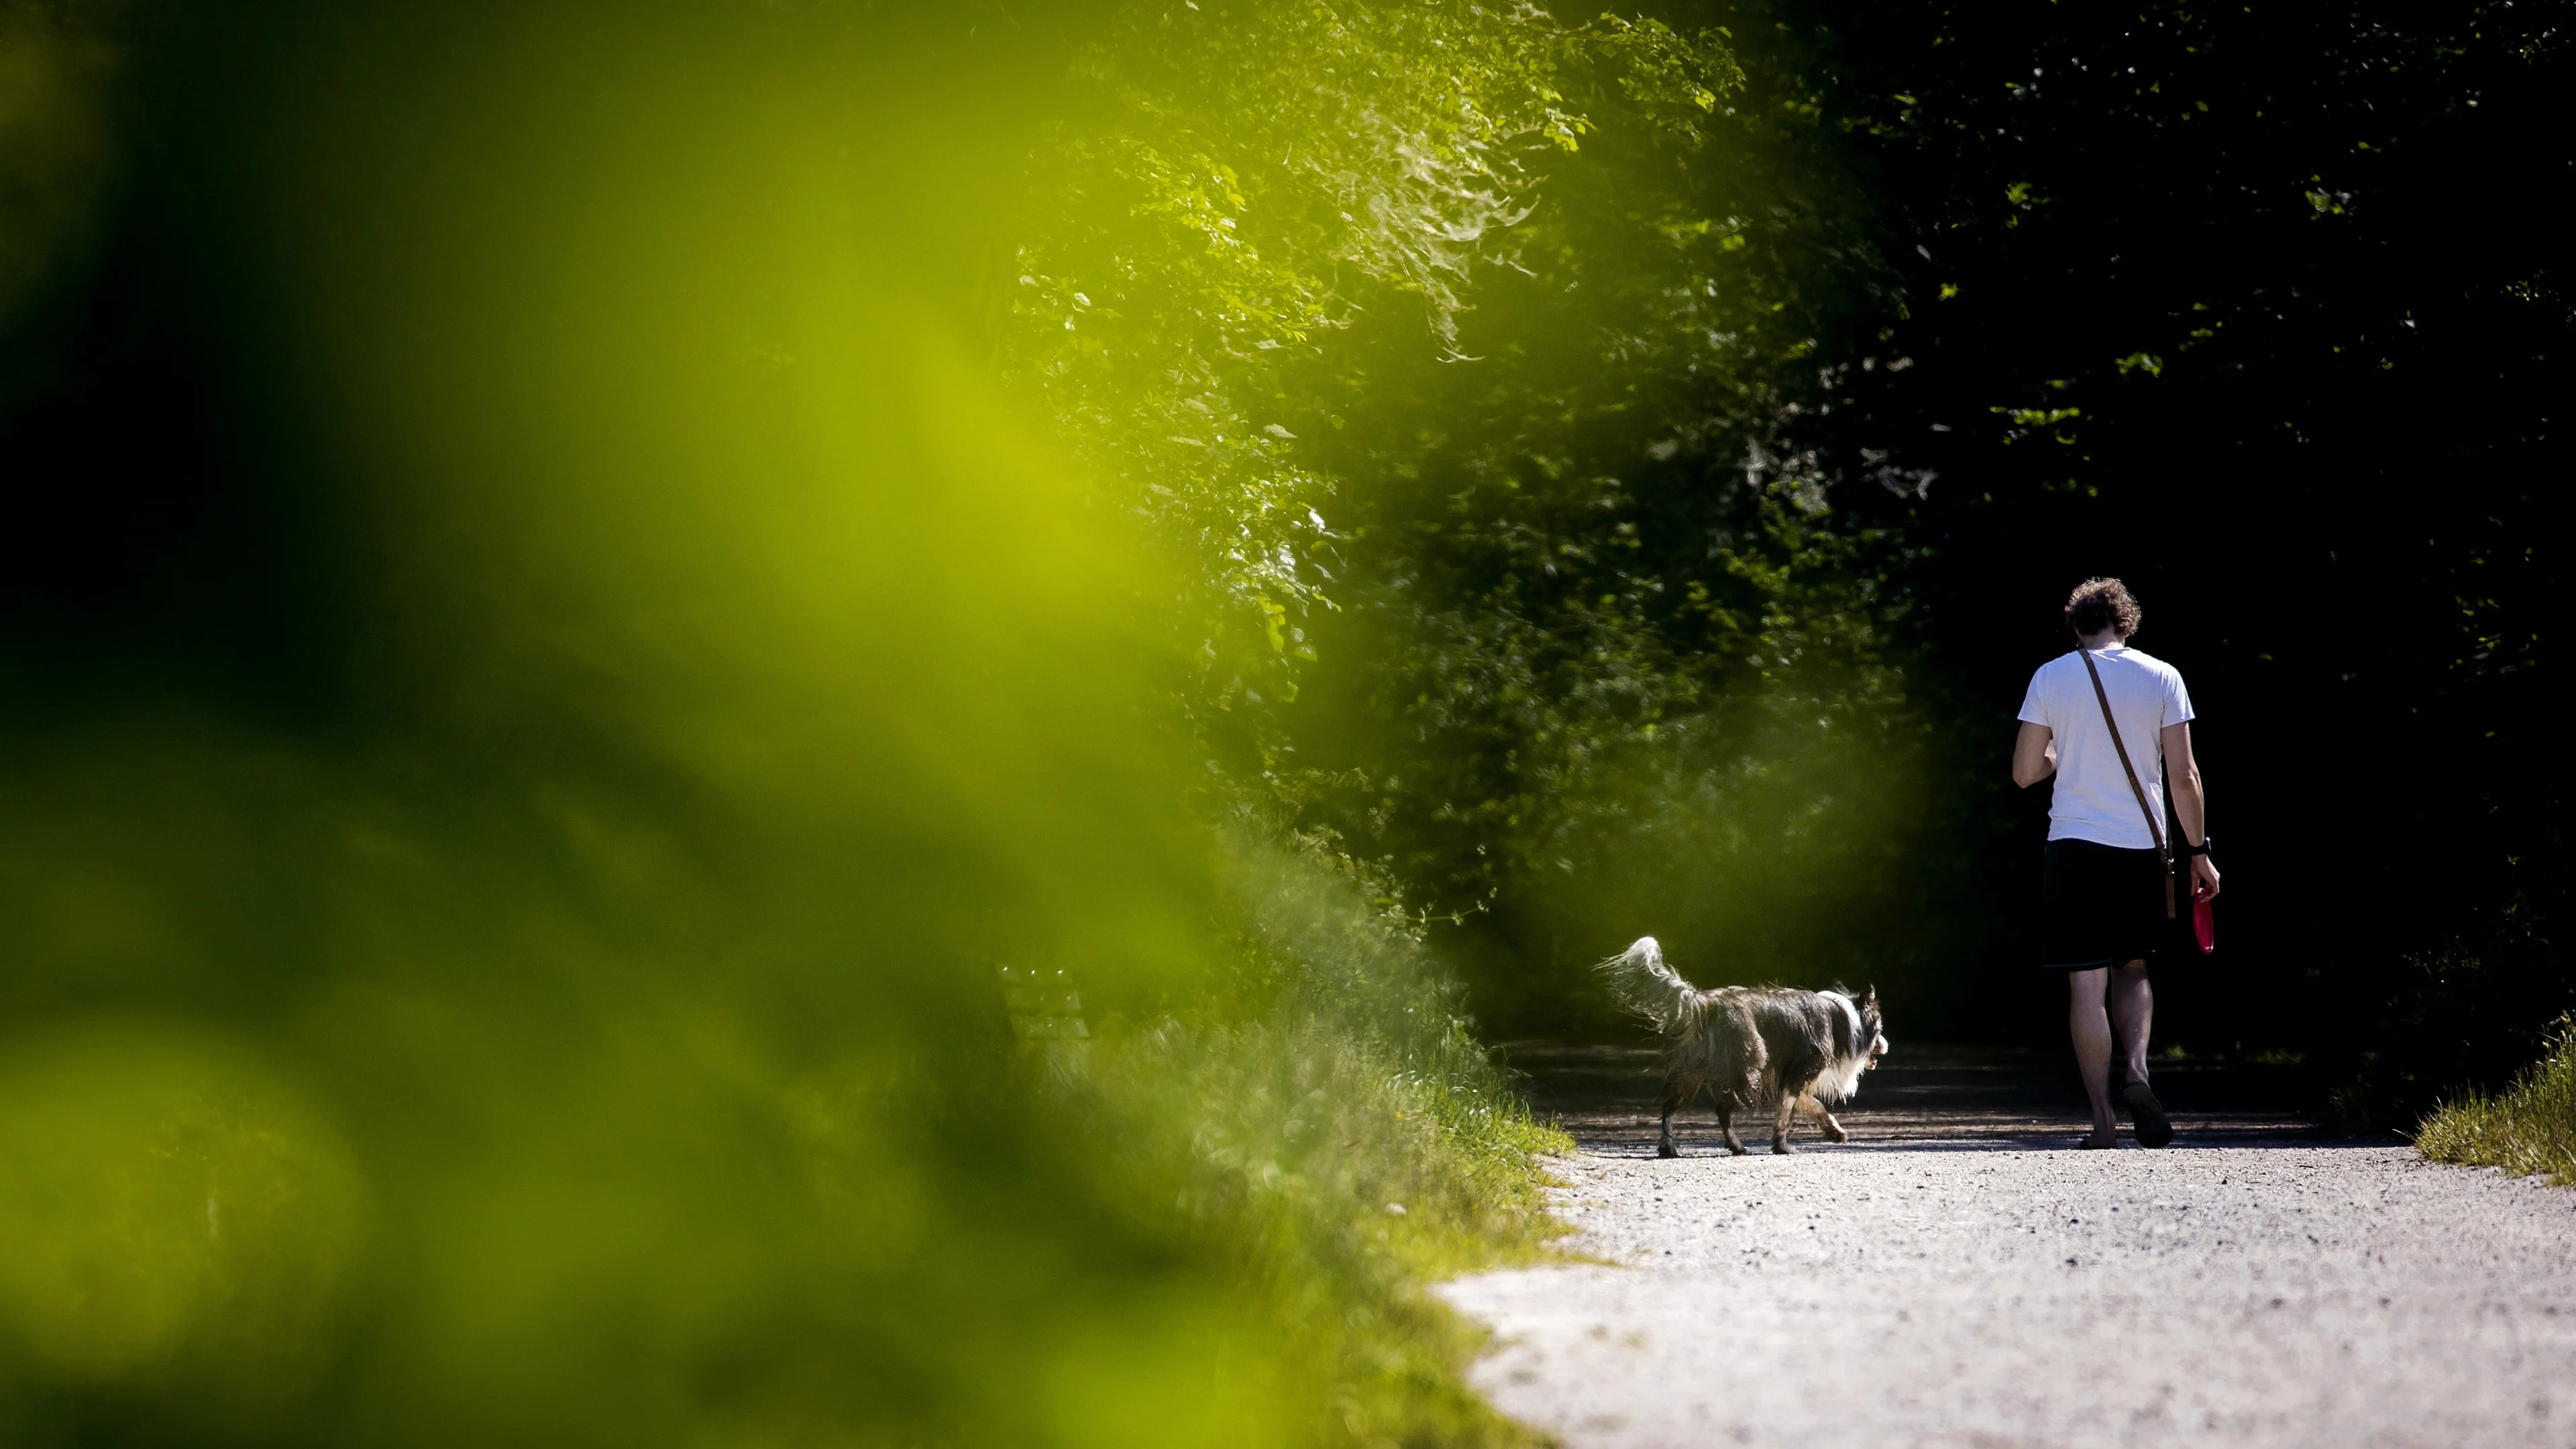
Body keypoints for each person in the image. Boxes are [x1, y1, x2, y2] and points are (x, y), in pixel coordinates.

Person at [2010, 578, 2220, 1148]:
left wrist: (2062, 750)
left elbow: (2026, 772)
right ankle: (2138, 1074)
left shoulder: (2050, 677)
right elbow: (2184, 775)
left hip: (2074, 844)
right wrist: (2199, 852)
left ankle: (2102, 1120)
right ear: (2126, 623)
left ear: (2076, 626)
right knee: (2133, 968)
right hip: (2140, 846)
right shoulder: (2162, 676)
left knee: (2086, 983)